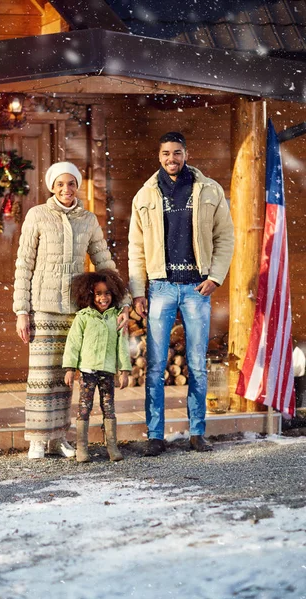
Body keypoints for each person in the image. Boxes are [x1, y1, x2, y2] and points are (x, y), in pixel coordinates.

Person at [128, 132, 234, 456]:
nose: (171, 158)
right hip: (160, 287)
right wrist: (137, 291)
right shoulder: (145, 195)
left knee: (197, 365)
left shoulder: (209, 190)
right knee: (157, 365)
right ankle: (155, 435)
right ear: (159, 156)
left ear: (186, 153)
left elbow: (225, 237)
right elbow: (136, 248)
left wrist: (215, 277)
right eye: (165, 153)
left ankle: (197, 432)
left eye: (176, 153)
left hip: (196, 288)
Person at [14, 161, 129, 460]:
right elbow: (24, 264)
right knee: (42, 375)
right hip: (43, 307)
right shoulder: (37, 215)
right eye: (61, 184)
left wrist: (123, 301)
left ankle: (59, 438)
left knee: (67, 376)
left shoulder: (88, 220)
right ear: (52, 186)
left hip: (75, 311)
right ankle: (38, 438)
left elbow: (103, 261)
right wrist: (21, 311)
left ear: (78, 186)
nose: (67, 189)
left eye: (72, 184)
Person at [63, 269, 131, 463]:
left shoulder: (116, 317)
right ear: (89, 294)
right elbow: (73, 344)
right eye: (98, 293)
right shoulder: (83, 317)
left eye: (107, 293)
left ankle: (111, 445)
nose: (103, 298)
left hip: (107, 372)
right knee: (84, 408)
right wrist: (69, 368)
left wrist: (124, 370)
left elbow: (122, 345)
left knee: (109, 408)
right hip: (87, 371)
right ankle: (82, 447)